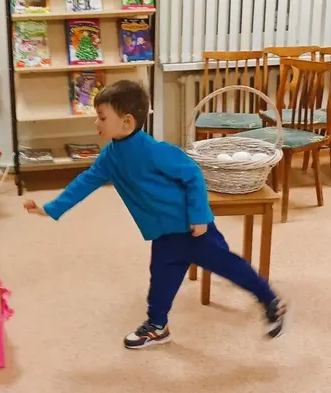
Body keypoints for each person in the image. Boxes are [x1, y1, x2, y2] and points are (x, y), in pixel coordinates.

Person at [24, 80, 286, 348]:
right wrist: (51, 208)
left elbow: (193, 175)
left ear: (127, 121)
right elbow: (85, 182)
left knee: (230, 267)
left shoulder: (155, 151)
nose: (96, 123)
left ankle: (270, 301)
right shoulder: (109, 157)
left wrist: (199, 216)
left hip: (192, 230)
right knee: (160, 282)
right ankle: (157, 326)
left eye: (101, 117)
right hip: (164, 236)